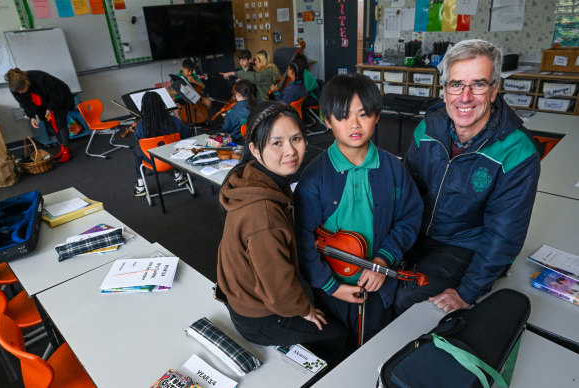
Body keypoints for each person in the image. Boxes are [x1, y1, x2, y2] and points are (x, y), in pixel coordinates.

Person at [395, 39, 540, 316]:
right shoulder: (427, 127)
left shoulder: (517, 151)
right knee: (368, 276)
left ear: (494, 90)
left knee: (404, 297)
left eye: (478, 84)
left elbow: (505, 233)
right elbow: (405, 191)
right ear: (445, 90)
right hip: (417, 233)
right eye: (456, 84)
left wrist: (469, 290)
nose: (465, 96)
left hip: (463, 247)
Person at [293, 73, 423, 347]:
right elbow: (302, 237)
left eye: (363, 114)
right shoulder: (315, 176)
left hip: (378, 284)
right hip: (330, 288)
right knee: (334, 346)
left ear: (377, 116)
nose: (354, 124)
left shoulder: (394, 169)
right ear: (327, 121)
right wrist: (331, 286)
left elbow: (409, 217)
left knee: (374, 346)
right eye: (342, 116)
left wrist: (384, 261)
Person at [217, 102, 349, 366]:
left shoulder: (253, 177)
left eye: (296, 138)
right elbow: (279, 291)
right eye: (276, 143)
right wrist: (303, 310)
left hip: (242, 296)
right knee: (339, 336)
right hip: (258, 317)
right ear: (254, 149)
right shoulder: (264, 214)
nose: (290, 151)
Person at [6, 68, 75, 163]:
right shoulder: (15, 88)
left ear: (26, 82)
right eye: (18, 91)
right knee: (47, 123)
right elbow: (25, 104)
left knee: (59, 121)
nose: (20, 93)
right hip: (40, 102)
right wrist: (32, 117)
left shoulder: (42, 78)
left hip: (59, 97)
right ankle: (62, 146)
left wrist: (50, 108)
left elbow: (55, 95)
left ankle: (67, 150)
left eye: (22, 89)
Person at [132, 91, 191, 197]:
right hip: (174, 157)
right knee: (170, 146)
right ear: (162, 104)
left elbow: (139, 142)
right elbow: (186, 133)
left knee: (136, 150)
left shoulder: (140, 125)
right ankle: (178, 174)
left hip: (154, 160)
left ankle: (140, 185)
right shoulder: (173, 120)